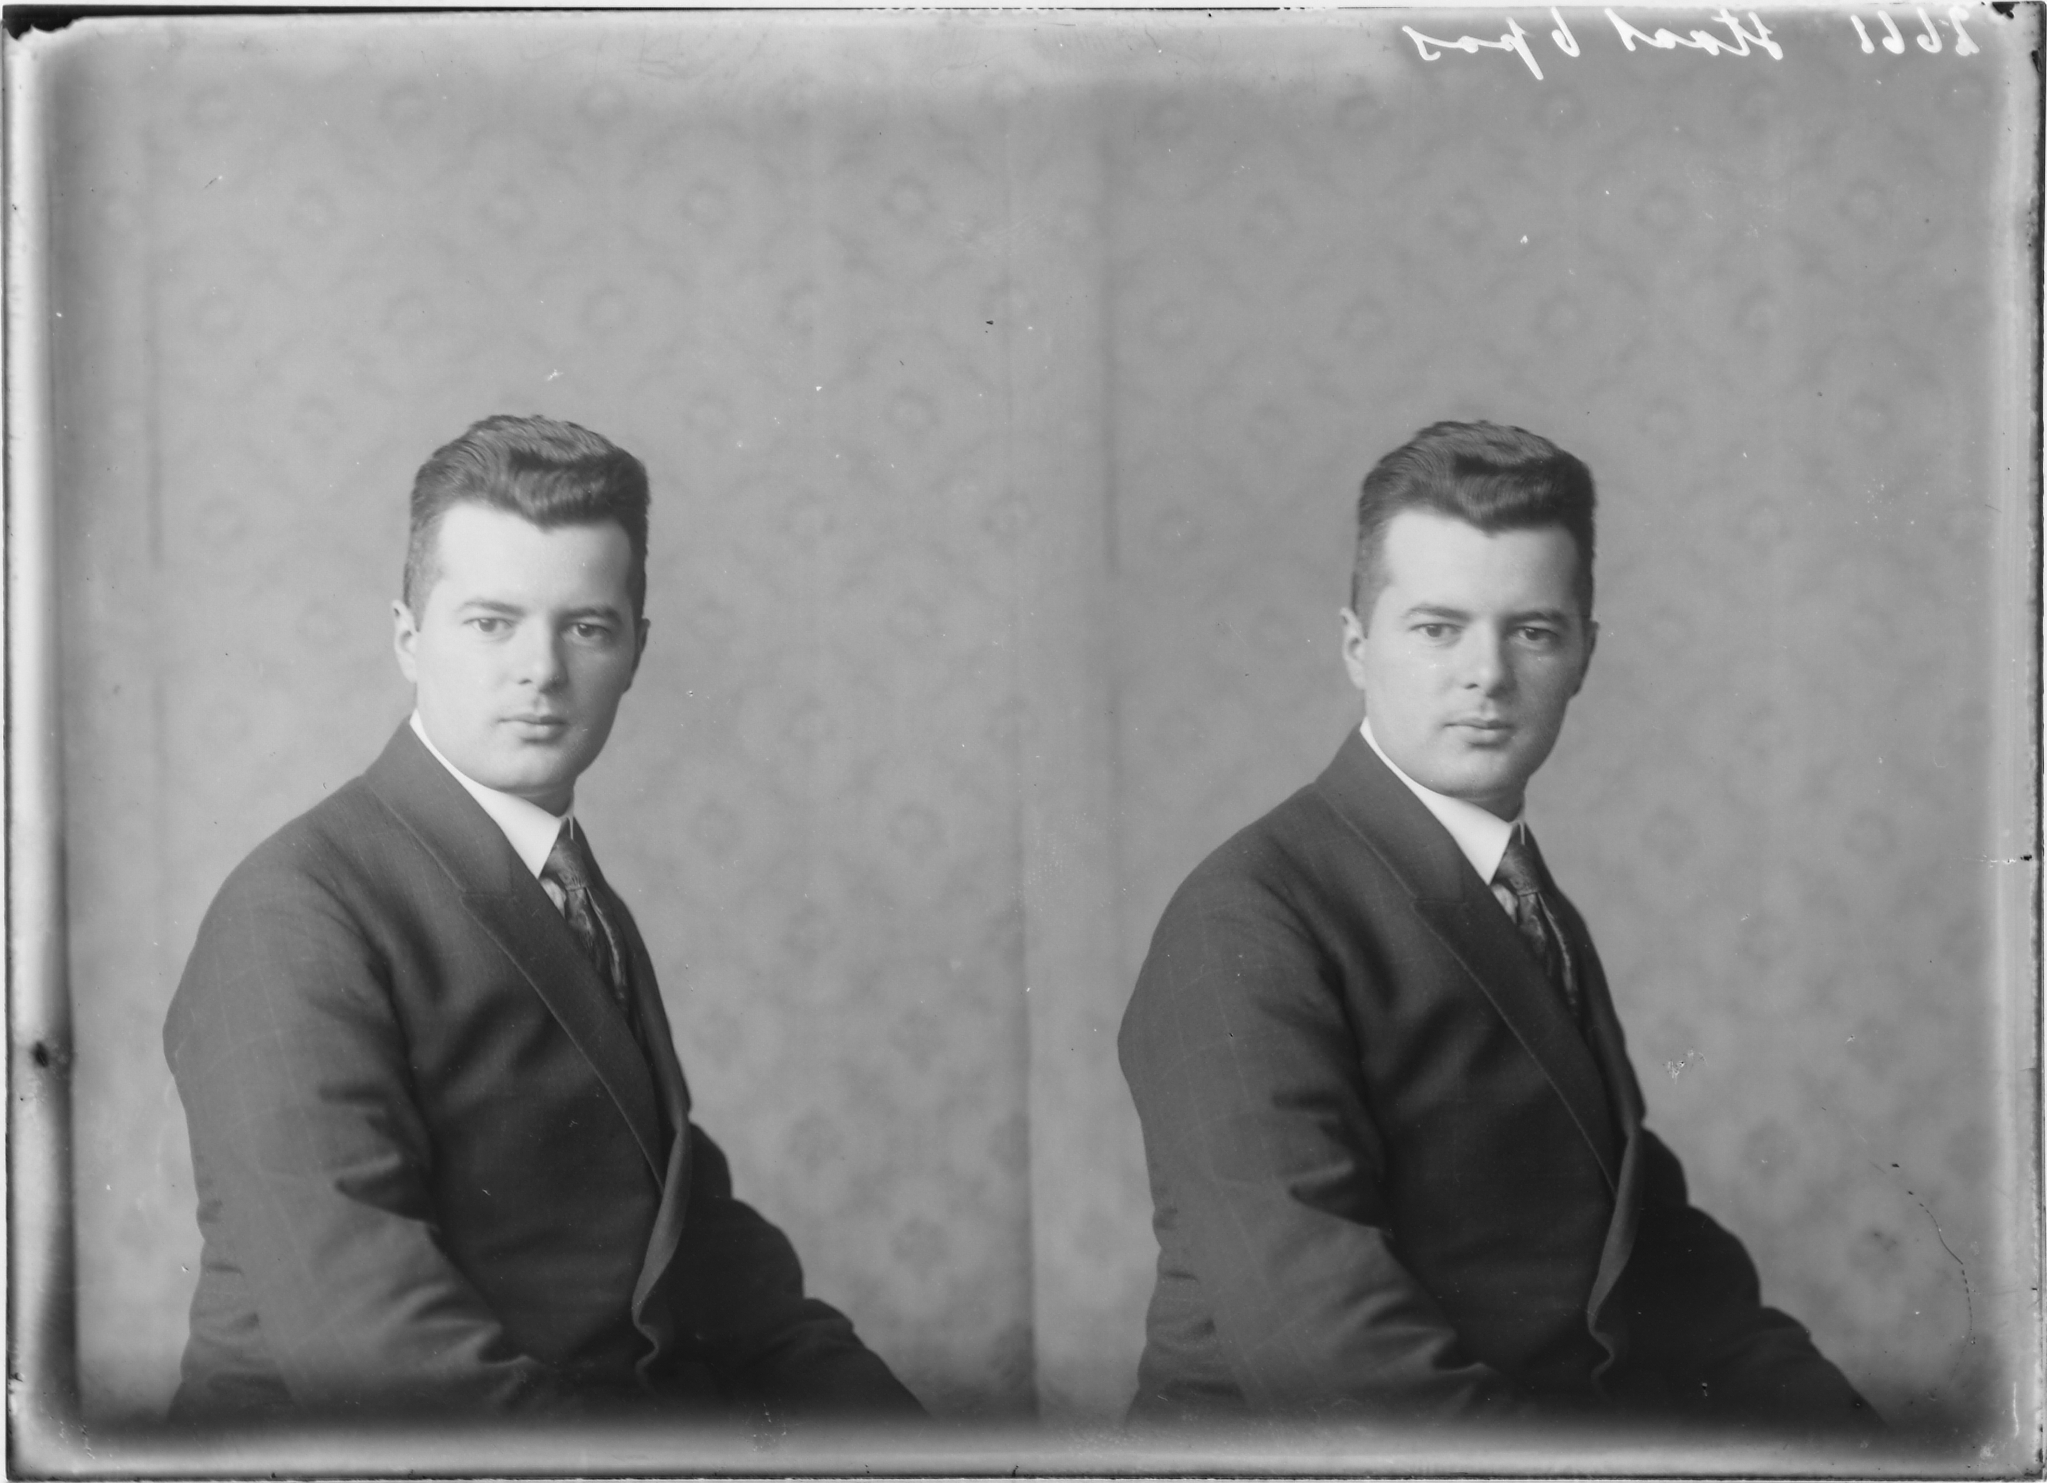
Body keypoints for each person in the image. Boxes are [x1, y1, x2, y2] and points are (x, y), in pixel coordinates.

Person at [1117, 420, 1876, 1434]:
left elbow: (1649, 1255)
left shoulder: (1523, 898)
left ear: (1584, 654)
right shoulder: (1249, 914)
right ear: (1356, 647)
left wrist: (1862, 1446)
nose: (1486, 673)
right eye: (1437, 628)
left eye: (1532, 631)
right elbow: (1325, 1345)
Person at [164, 414, 921, 1424]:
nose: (542, 670)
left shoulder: (571, 891)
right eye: (491, 622)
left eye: (586, 627)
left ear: (636, 649)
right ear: (408, 639)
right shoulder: (299, 908)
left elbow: (691, 1247)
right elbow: (375, 1347)